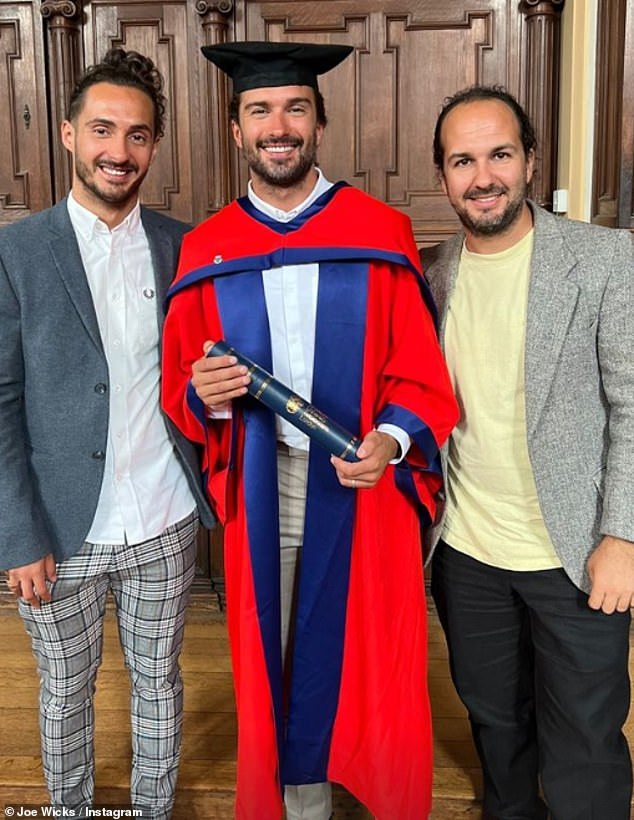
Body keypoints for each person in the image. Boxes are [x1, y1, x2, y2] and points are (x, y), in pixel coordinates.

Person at [161, 41, 458, 820]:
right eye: (260, 110)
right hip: (263, 485)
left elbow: (418, 370)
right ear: (236, 130)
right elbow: (181, 388)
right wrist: (210, 395)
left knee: (374, 655)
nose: (278, 125)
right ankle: (303, 804)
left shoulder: (378, 231)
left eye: (295, 108)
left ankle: (380, 796)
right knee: (277, 655)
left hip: (363, 482)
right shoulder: (207, 248)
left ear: (320, 123)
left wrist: (391, 441)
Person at [0, 48, 214, 819]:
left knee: (158, 682)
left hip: (164, 516)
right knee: (64, 690)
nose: (118, 152)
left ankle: (152, 812)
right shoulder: (16, 251)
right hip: (58, 530)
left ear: (154, 145)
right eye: (102, 130)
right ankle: (70, 811)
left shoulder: (184, 245)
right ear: (67, 134)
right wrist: (18, 536)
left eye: (137, 135)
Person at [421, 85, 634, 820]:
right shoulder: (431, 274)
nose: (483, 176)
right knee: (498, 726)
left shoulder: (605, 259)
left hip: (576, 553)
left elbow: (633, 406)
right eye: (463, 160)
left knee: (585, 740)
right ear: (444, 175)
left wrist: (623, 536)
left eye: (500, 154)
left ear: (531, 161)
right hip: (468, 555)